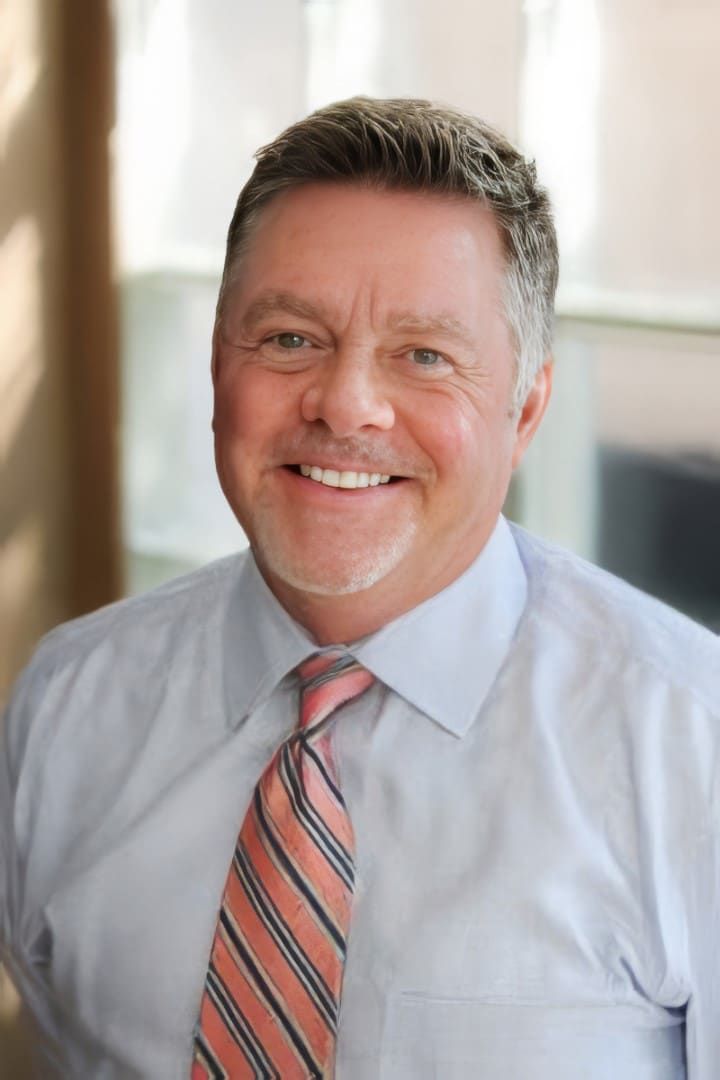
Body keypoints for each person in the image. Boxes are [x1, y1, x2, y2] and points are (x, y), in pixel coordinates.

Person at [1, 96, 719, 1080]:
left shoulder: (692, 742)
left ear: (527, 406)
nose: (345, 404)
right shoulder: (67, 704)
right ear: (219, 363)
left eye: (424, 356)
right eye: (291, 337)